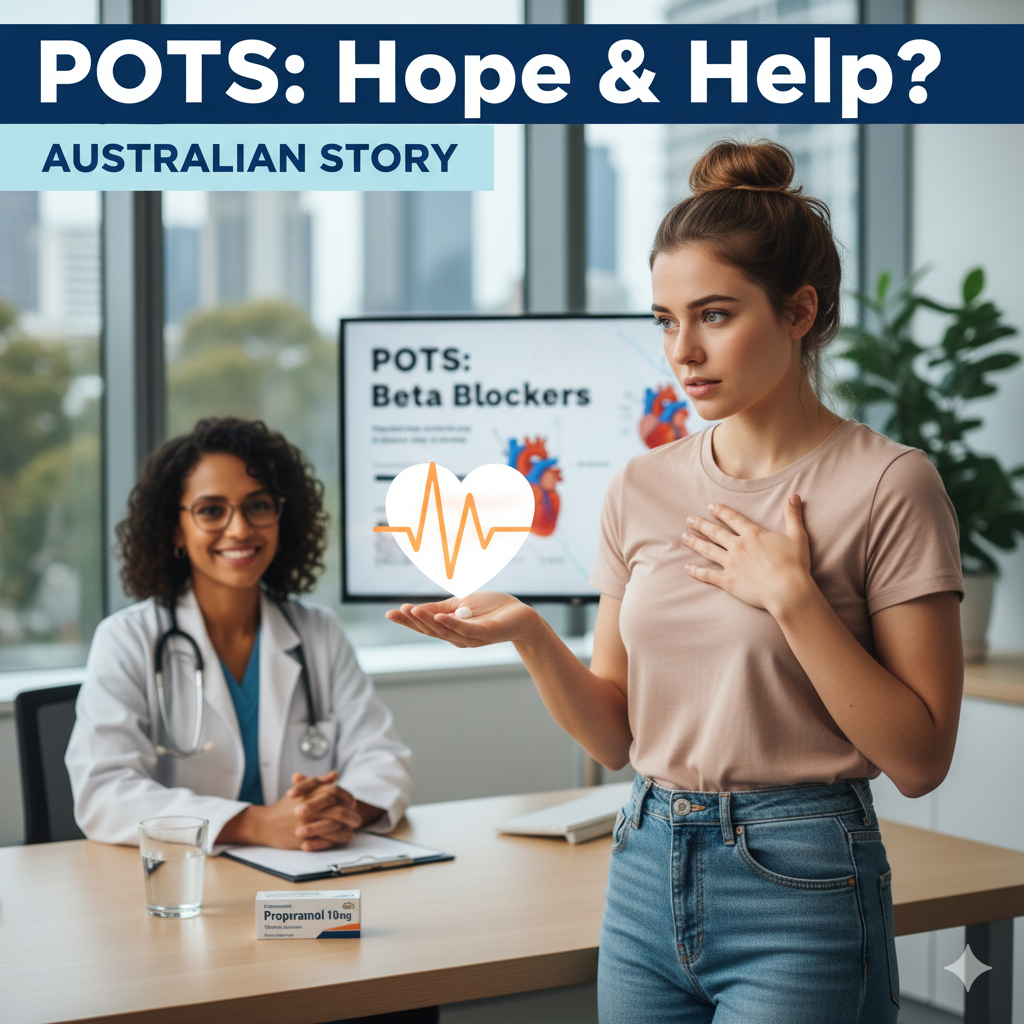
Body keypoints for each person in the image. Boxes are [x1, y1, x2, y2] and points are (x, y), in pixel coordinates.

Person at [384, 140, 964, 1023]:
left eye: (715, 315)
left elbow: (921, 759)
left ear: (799, 310)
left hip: (801, 875)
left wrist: (794, 600)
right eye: (663, 319)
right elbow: (615, 736)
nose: (682, 351)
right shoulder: (640, 486)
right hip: (648, 862)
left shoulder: (888, 484)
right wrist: (531, 636)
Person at [66, 417, 413, 854]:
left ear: (281, 515)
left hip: (305, 877)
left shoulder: (317, 632)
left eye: (258, 505)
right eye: (211, 510)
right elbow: (104, 793)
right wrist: (255, 824)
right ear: (176, 528)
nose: (240, 529)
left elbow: (384, 760)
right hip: (186, 886)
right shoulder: (127, 638)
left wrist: (334, 813)